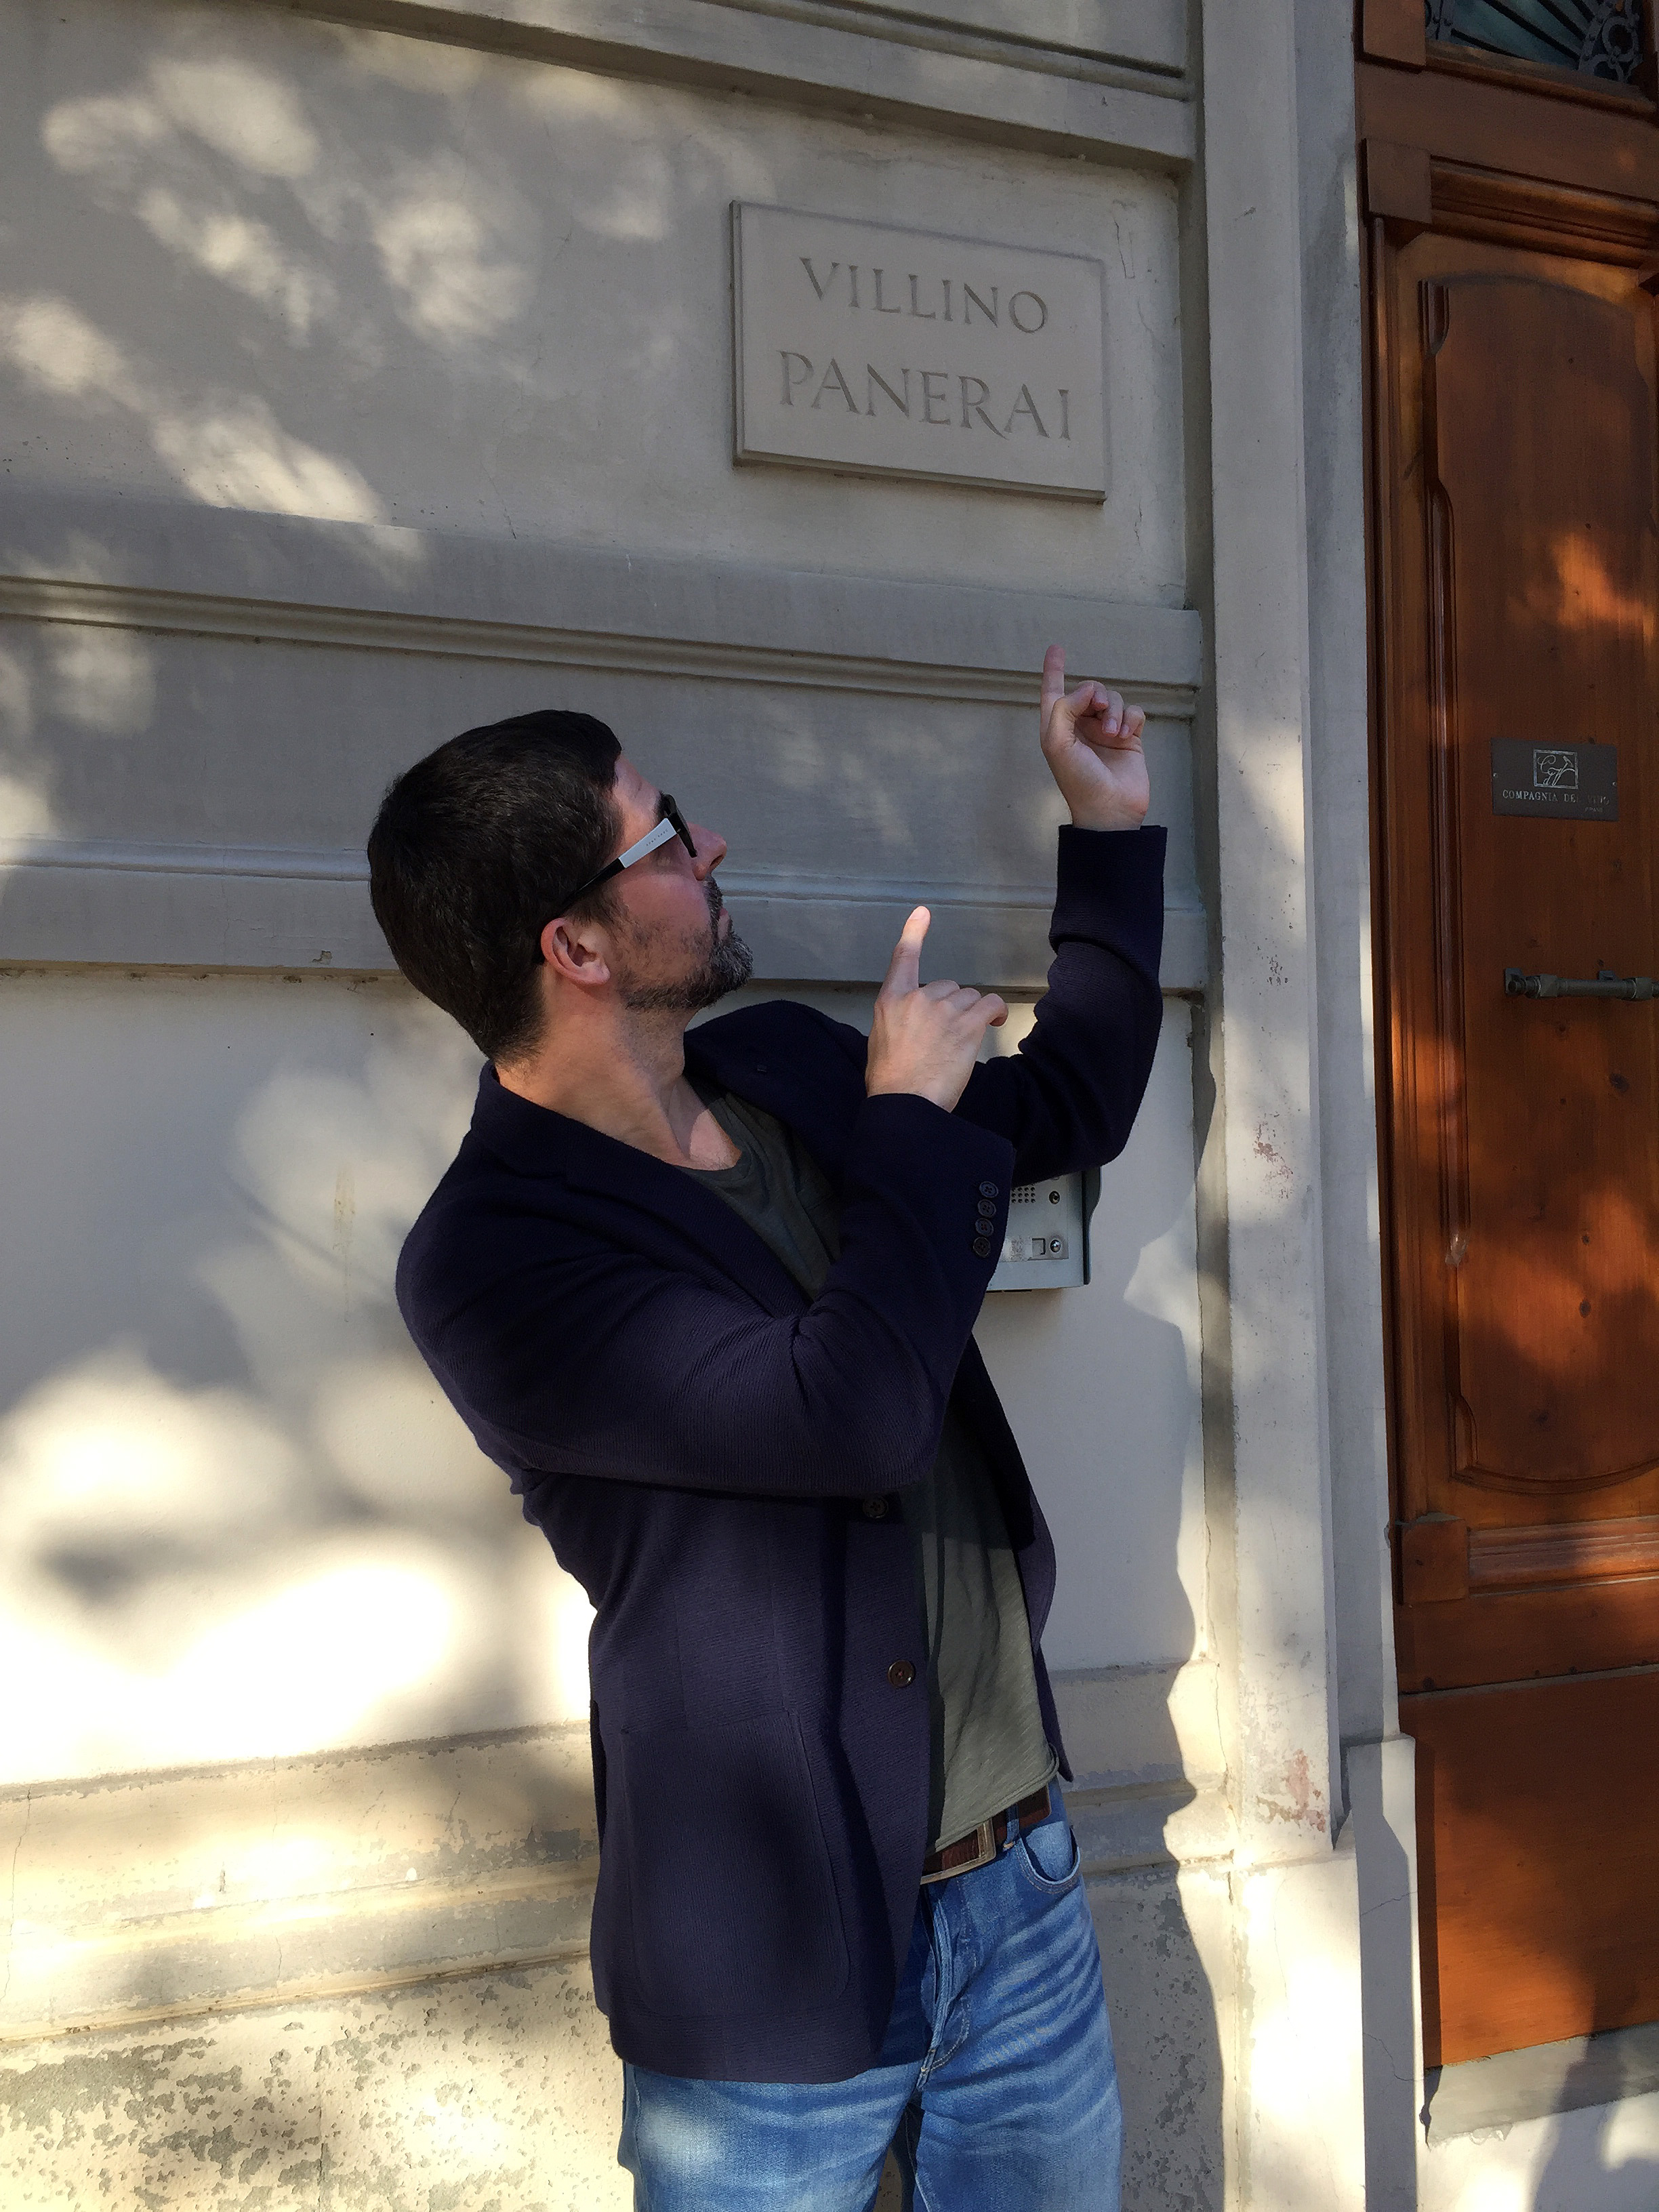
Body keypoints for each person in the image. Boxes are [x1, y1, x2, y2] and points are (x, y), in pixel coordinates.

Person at [367, 646, 1164, 2211]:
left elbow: (1073, 1103)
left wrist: (1111, 829)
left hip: (1019, 1886)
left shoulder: (790, 1067)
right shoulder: (493, 1261)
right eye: (665, 838)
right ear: (575, 944)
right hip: (770, 1972)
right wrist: (911, 1122)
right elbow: (847, 1415)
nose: (707, 847)